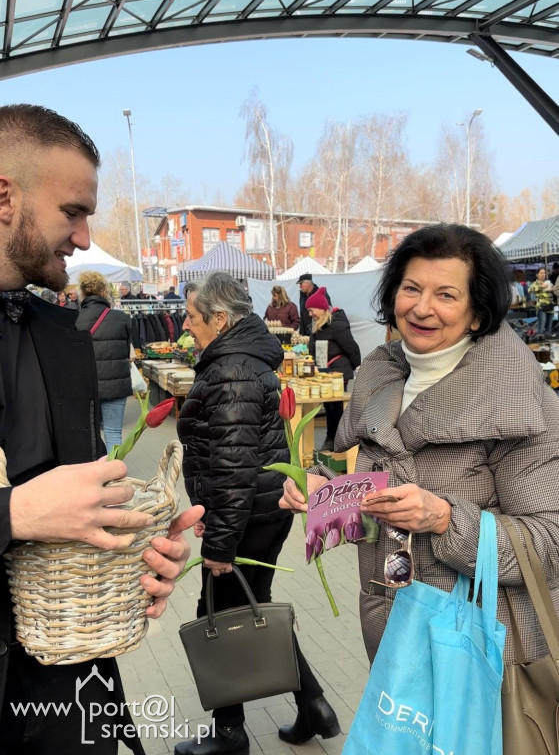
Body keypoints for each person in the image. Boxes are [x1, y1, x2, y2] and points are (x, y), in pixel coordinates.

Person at [0, 103, 203, 754]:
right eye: (72, 211)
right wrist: (12, 514)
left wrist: (138, 547)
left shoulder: (62, 341)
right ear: (4, 196)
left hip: (67, 695)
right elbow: (29, 513)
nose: (85, 238)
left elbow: (84, 513)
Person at [281, 223, 559, 676]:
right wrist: (327, 492)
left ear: (476, 312)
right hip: (394, 628)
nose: (422, 308)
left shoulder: (519, 401)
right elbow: (389, 492)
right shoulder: (384, 379)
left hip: (480, 650)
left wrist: (446, 519)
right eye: (411, 288)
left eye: (446, 295)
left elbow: (550, 543)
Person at [175, 271, 339, 755]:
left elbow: (232, 464)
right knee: (254, 611)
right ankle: (313, 703)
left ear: (219, 319)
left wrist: (219, 544)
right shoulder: (242, 359)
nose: (187, 326)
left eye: (193, 316)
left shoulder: (232, 369)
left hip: (246, 515)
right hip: (261, 509)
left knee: (220, 612)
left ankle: (229, 732)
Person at [76, 270, 133, 454]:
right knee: (113, 432)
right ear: (104, 292)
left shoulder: (72, 319)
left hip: (85, 387)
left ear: (82, 293)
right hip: (116, 385)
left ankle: (94, 474)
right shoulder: (121, 318)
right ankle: (115, 474)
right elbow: (125, 352)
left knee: (87, 434)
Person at [306, 287, 361, 451]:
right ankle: (333, 439)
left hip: (337, 372)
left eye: (311, 310)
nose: (310, 314)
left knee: (336, 408)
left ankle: (337, 441)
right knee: (330, 407)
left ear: (322, 308)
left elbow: (351, 348)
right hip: (325, 372)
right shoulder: (319, 326)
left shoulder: (336, 325)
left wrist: (353, 366)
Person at [528, 267, 554, 336]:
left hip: (550, 307)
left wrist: (552, 289)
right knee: (541, 328)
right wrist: (542, 286)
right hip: (541, 307)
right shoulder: (535, 283)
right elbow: (529, 290)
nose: (543, 274)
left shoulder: (548, 282)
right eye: (541, 273)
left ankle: (547, 344)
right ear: (537, 275)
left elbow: (553, 290)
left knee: (549, 329)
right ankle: (540, 342)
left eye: (544, 273)